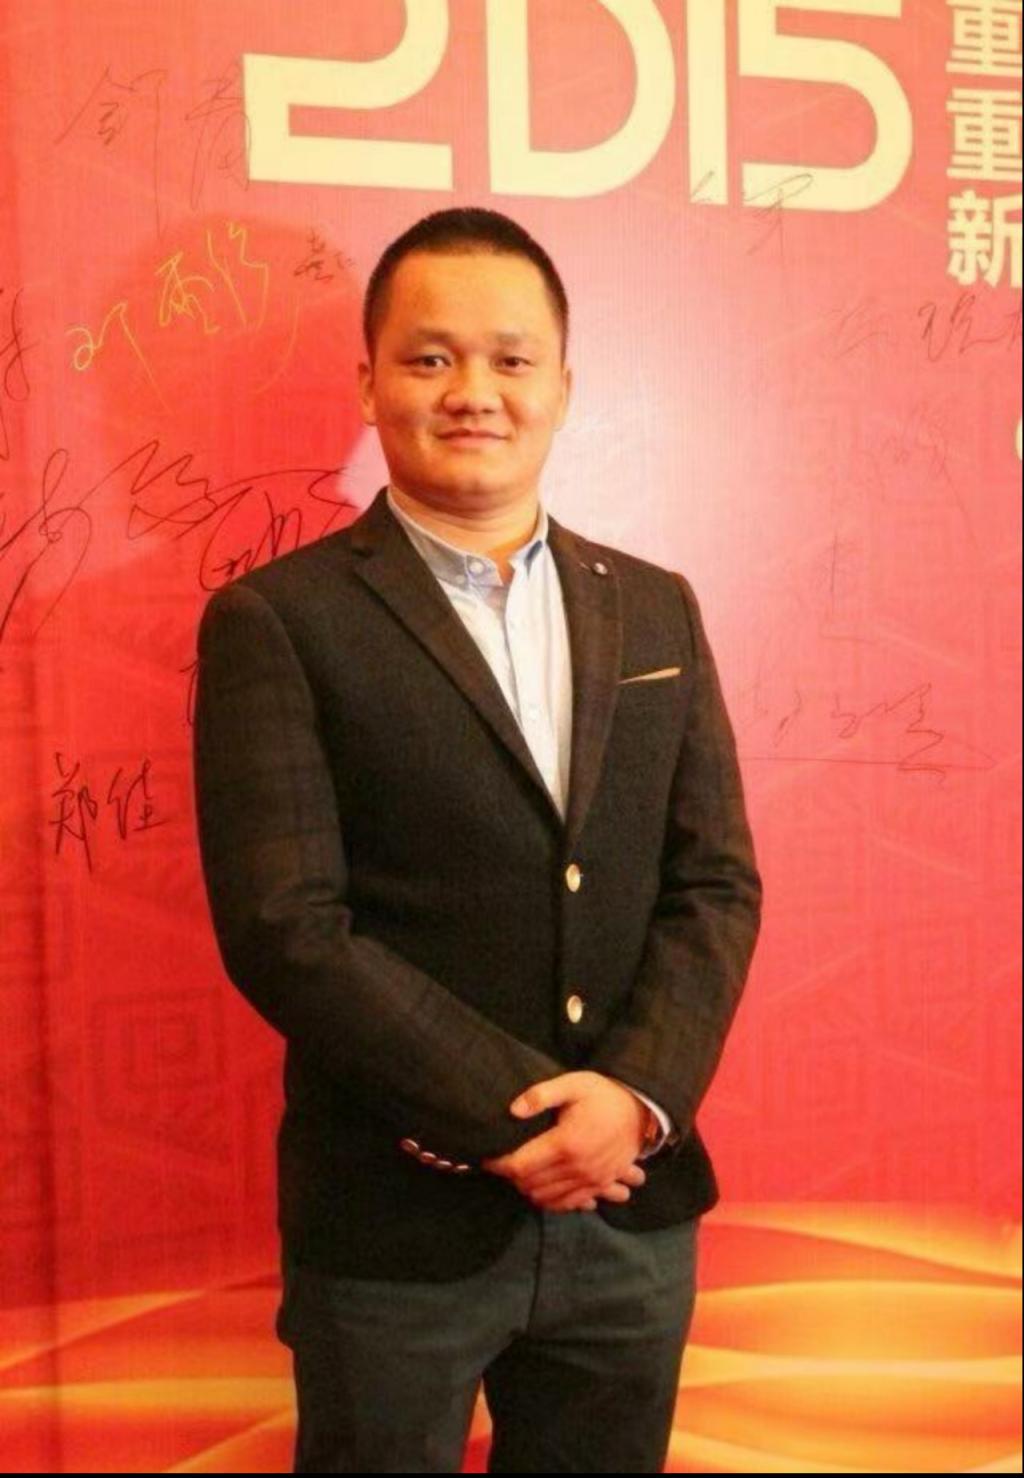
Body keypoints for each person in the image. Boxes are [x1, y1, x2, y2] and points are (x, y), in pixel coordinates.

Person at [192, 205, 762, 1473]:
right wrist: (526, 1122)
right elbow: (287, 926)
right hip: (396, 1226)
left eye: (511, 359)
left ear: (563, 385)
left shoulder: (656, 606)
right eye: (429, 357)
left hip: (631, 1206)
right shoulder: (278, 620)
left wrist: (632, 1103)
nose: (473, 392)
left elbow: (714, 882)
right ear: (370, 383)